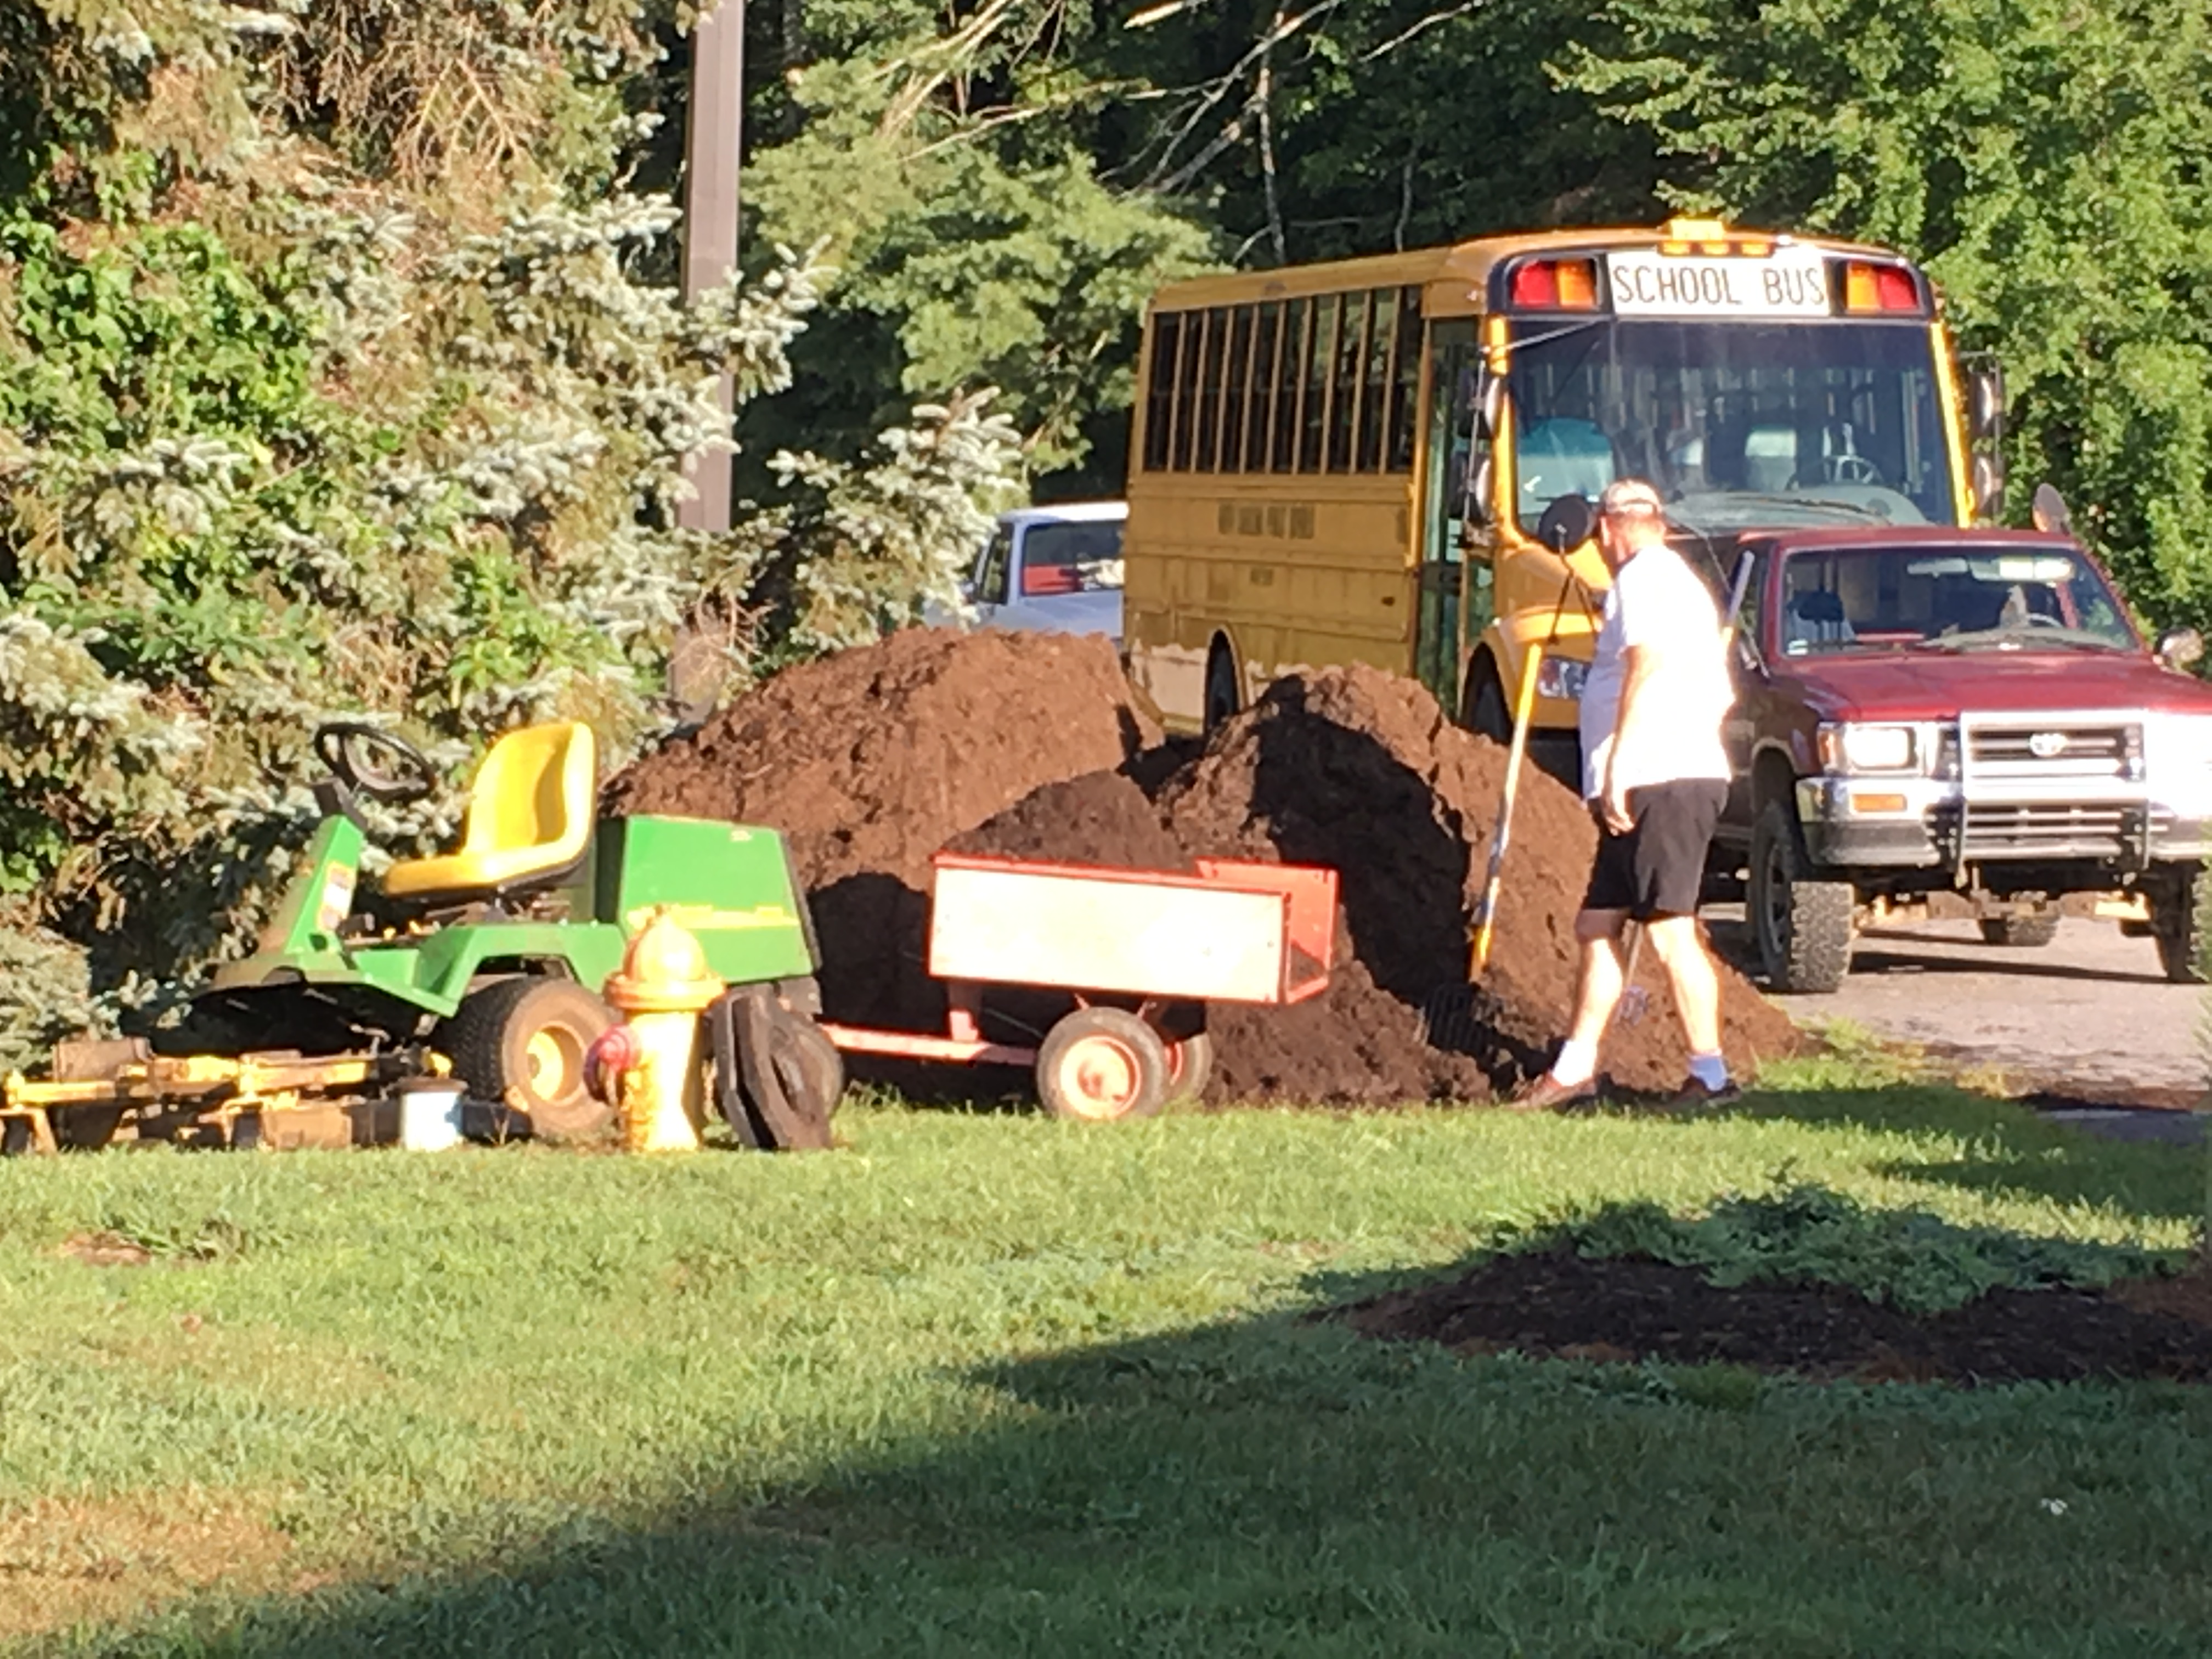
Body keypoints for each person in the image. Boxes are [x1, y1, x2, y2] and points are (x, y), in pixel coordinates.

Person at [1511, 478, 1738, 1109]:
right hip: (1665, 774)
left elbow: (1647, 662)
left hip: (1658, 780)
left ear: (1609, 530)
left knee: (1670, 931)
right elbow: (1719, 692)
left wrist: (1621, 767)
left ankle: (1712, 1077)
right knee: (1597, 923)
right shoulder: (1675, 582)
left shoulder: (1643, 578)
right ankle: (1574, 1069)